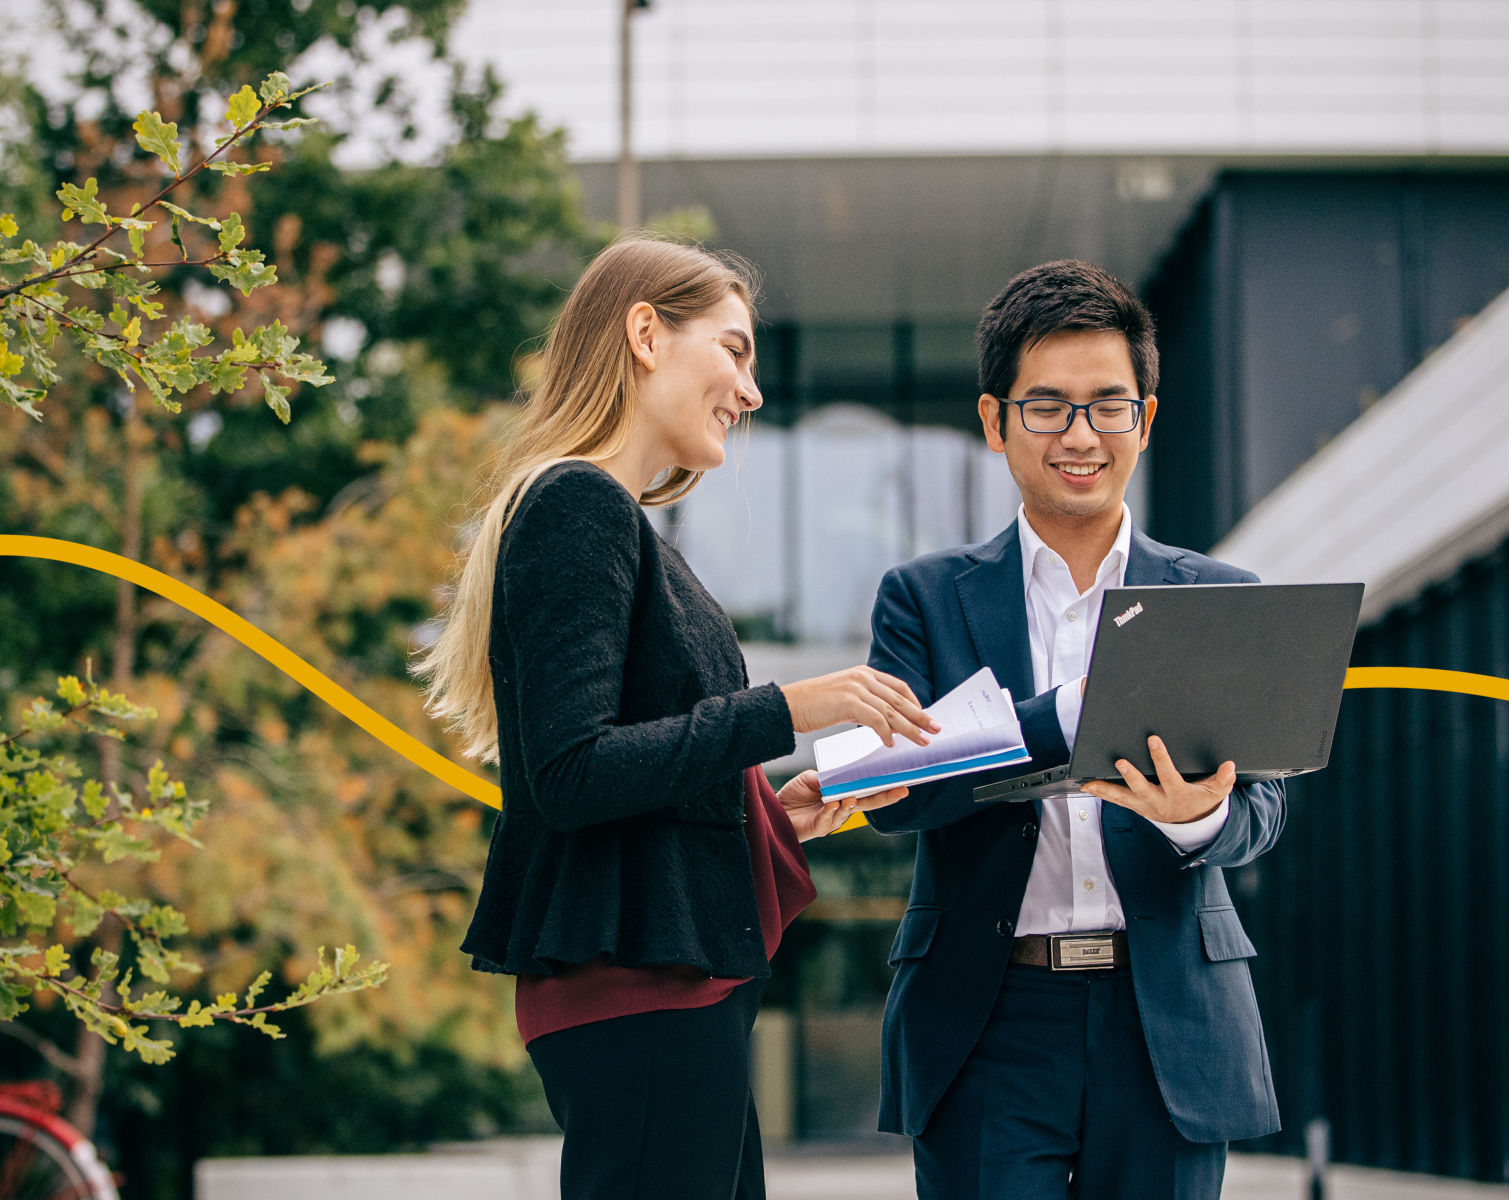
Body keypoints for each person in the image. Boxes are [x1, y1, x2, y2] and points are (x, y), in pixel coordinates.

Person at [415, 234, 937, 1200]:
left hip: (667, 987)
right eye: (734, 350)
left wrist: (770, 812)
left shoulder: (601, 516)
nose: (752, 391)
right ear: (645, 332)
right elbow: (571, 773)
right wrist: (790, 706)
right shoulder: (579, 507)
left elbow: (626, 772)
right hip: (643, 992)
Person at [864, 260, 1287, 1200]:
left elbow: (1265, 811)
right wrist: (1065, 717)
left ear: (1146, 417)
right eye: (1047, 407)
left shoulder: (1219, 600)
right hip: (987, 1017)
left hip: (1166, 1016)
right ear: (994, 420)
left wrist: (1196, 820)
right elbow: (893, 796)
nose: (1081, 435)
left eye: (1109, 405)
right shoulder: (925, 600)